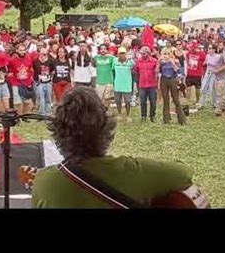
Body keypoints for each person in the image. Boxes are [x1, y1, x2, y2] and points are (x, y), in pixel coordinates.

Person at [31, 86, 196, 208]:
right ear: (106, 129)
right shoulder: (134, 171)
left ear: (59, 134)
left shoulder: (45, 182)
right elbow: (184, 173)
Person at [158, 48, 186, 125]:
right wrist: (158, 63)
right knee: (166, 99)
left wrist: (172, 62)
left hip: (172, 80)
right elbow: (157, 71)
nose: (166, 55)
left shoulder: (175, 61)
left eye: (168, 53)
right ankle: (166, 119)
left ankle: (182, 119)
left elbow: (177, 70)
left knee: (176, 99)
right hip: (164, 80)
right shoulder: (162, 62)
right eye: (164, 54)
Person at [8, 44, 35, 115]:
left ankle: (24, 116)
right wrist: (11, 78)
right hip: (16, 82)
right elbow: (9, 71)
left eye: (24, 50)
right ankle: (18, 117)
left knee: (27, 101)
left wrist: (31, 78)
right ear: (16, 50)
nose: (22, 52)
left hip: (26, 82)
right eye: (20, 50)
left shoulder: (29, 58)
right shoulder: (12, 60)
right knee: (17, 102)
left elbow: (31, 69)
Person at [134, 46, 158, 122]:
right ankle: (143, 116)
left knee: (153, 102)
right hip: (142, 84)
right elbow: (136, 71)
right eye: (141, 54)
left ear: (148, 54)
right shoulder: (138, 61)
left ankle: (152, 115)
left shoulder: (154, 61)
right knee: (142, 101)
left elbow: (157, 71)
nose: (142, 55)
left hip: (152, 84)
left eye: (144, 54)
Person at [112, 47, 135, 121]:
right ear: (118, 54)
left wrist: (130, 59)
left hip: (127, 84)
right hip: (117, 84)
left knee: (127, 101)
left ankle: (128, 115)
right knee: (117, 100)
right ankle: (119, 113)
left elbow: (135, 67)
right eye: (120, 53)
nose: (122, 55)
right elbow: (112, 70)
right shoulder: (115, 61)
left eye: (123, 53)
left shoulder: (130, 62)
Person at [33, 48, 54, 116]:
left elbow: (53, 70)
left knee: (48, 98)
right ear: (39, 53)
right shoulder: (35, 61)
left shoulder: (50, 61)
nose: (44, 55)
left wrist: (50, 77)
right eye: (42, 53)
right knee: (40, 98)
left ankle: (48, 113)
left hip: (48, 82)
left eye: (45, 54)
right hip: (39, 82)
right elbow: (33, 70)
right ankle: (41, 113)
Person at [93, 44, 115, 108]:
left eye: (104, 49)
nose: (103, 50)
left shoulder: (112, 58)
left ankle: (105, 111)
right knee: (99, 99)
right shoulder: (96, 57)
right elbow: (93, 65)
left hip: (109, 81)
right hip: (99, 82)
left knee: (107, 99)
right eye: (101, 49)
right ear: (99, 50)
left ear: (107, 50)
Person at [185, 43, 206, 108]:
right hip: (190, 73)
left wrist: (201, 66)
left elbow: (204, 61)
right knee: (188, 88)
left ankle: (197, 100)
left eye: (193, 48)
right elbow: (187, 59)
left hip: (197, 74)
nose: (192, 49)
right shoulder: (188, 53)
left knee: (197, 88)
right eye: (191, 48)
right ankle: (187, 101)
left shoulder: (201, 54)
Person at [214, 41, 225, 116]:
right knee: (221, 93)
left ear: (224, 46)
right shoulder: (223, 53)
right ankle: (223, 106)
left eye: (220, 45)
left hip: (223, 77)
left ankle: (218, 110)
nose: (218, 46)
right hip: (221, 76)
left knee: (219, 93)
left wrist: (218, 70)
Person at [199, 44, 220, 108]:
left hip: (214, 74)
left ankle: (214, 104)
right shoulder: (207, 55)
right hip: (208, 73)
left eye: (210, 48)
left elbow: (219, 66)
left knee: (212, 89)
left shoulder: (218, 56)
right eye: (208, 48)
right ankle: (202, 103)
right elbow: (204, 63)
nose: (209, 49)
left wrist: (214, 66)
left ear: (214, 49)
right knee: (203, 87)